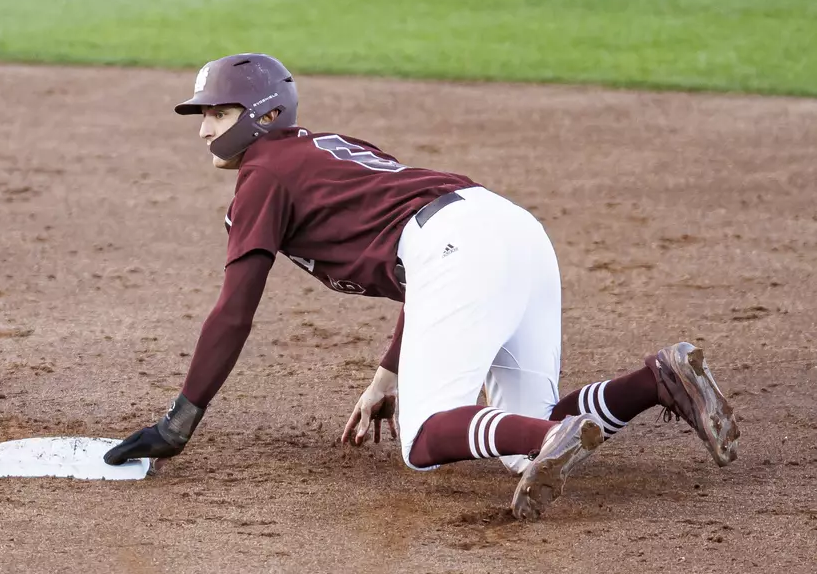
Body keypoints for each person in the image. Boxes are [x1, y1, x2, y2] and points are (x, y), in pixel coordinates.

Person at [103, 53, 740, 519]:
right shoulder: (326, 147)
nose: (204, 128)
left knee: (425, 438)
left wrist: (180, 420)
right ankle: (656, 381)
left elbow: (233, 313)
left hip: (459, 246)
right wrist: (389, 374)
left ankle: (548, 439)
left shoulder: (264, 175)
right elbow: (421, 258)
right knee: (518, 429)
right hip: (512, 230)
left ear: (262, 114)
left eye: (217, 111)